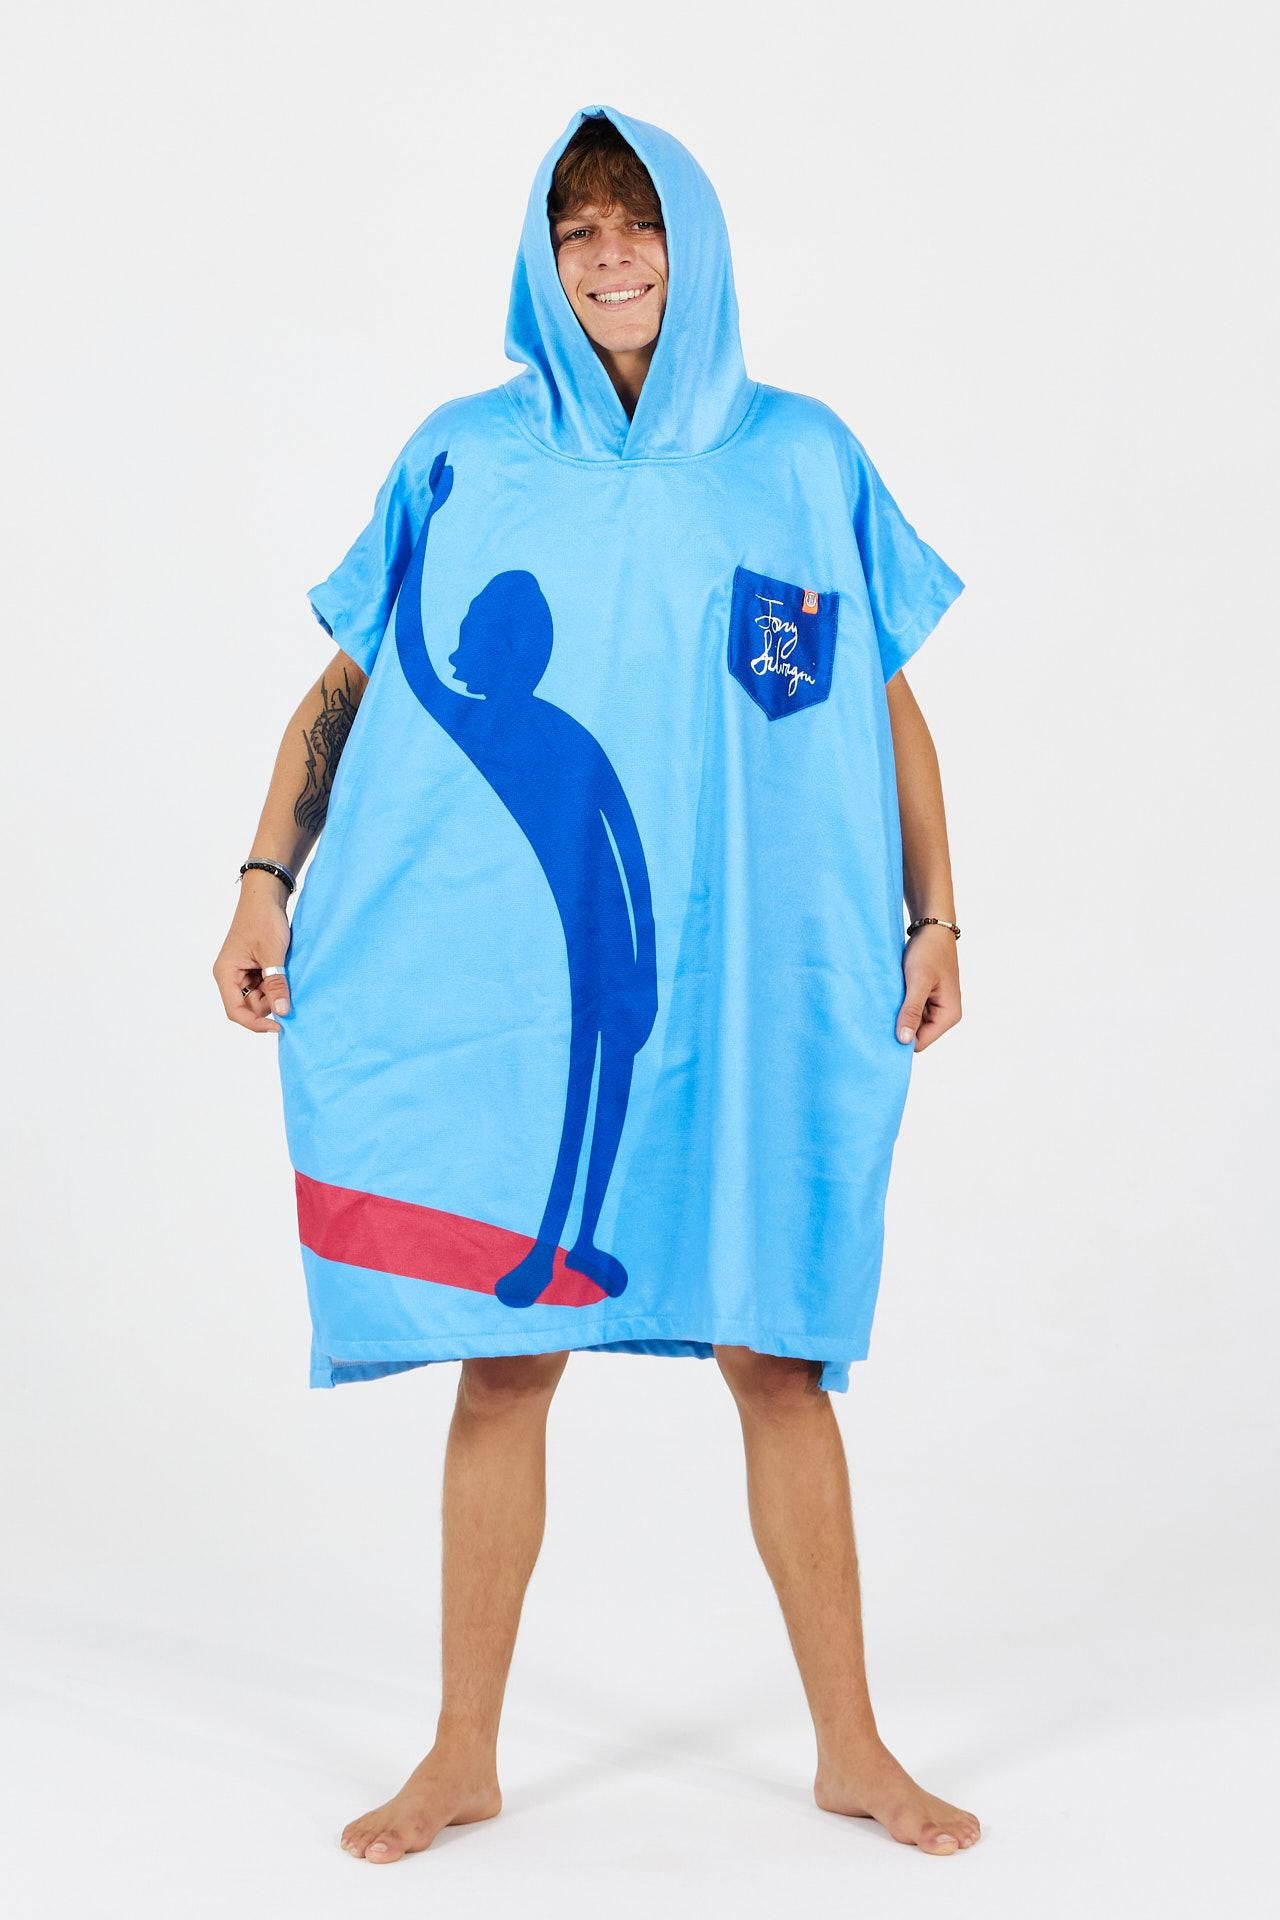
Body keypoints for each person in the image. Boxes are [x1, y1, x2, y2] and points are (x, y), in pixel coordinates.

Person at [213, 104, 978, 1863]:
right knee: (509, 1357)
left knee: (777, 1354)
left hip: (747, 984)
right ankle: (460, 1754)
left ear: (693, 246)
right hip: (522, 997)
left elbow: (885, 701)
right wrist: (266, 878)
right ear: (540, 264)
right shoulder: (463, 457)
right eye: (579, 232)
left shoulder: (801, 459)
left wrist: (939, 916)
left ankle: (853, 1747)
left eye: (639, 224)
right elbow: (352, 685)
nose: (612, 256)